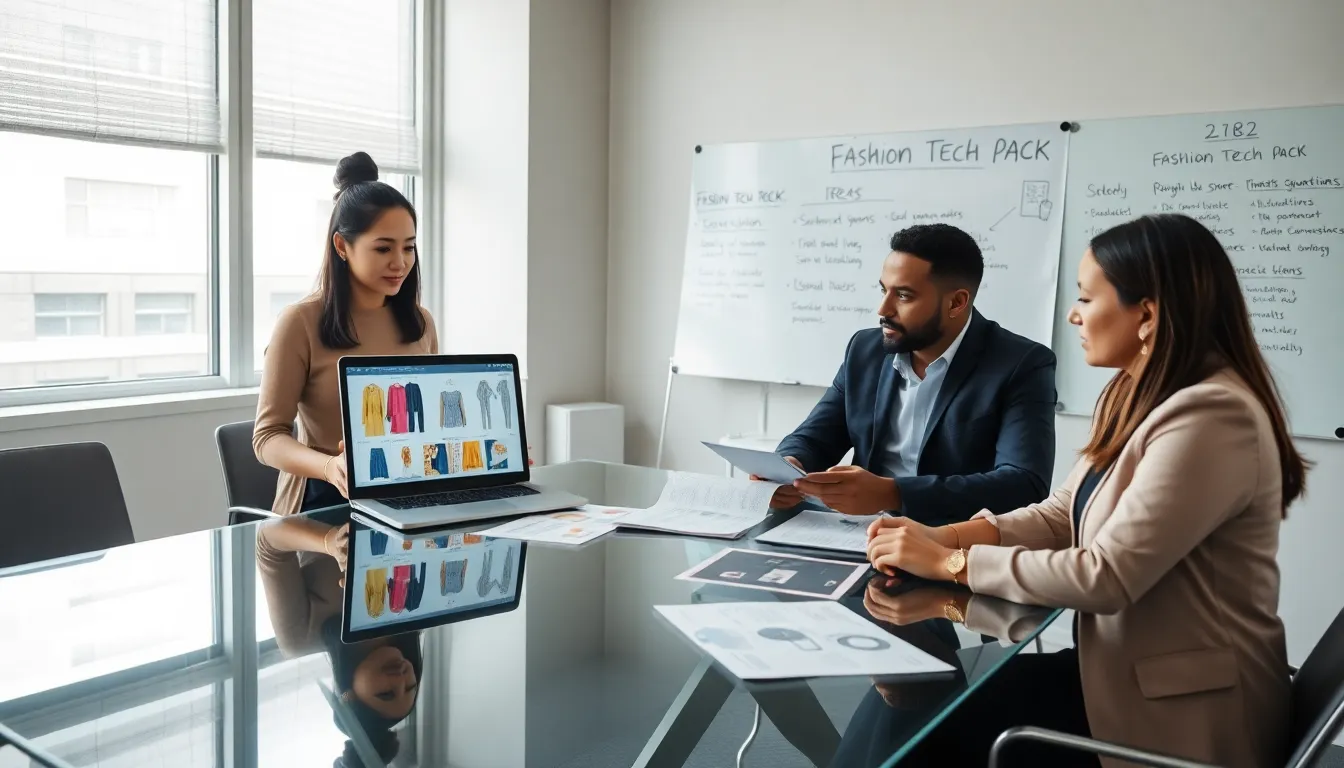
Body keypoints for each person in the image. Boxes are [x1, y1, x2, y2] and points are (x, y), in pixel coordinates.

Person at [867, 213, 1308, 767]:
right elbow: (1062, 515)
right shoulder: (1136, 392)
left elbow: (1107, 577)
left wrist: (950, 563)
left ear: (1146, 314)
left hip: (1186, 711)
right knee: (927, 717)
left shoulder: (1211, 414)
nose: (1073, 314)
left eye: (1085, 298)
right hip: (1121, 668)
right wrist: (942, 536)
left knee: (926, 741)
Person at [768, 223, 1057, 524]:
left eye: (904, 296)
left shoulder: (1022, 364)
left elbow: (1024, 483)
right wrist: (788, 467)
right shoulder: (864, 350)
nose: (883, 309)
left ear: (956, 303)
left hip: (951, 538)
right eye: (883, 290)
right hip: (858, 532)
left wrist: (894, 493)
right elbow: (815, 438)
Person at [253, 151, 438, 515]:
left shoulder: (421, 323)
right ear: (342, 246)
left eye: (409, 247)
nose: (400, 262)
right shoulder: (299, 322)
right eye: (383, 248)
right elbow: (267, 438)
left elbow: (425, 427)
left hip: (405, 494)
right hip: (320, 503)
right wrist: (330, 467)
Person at [255, 514, 421, 762]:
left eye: (386, 693)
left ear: (348, 695)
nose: (401, 678)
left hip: (318, 497)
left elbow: (267, 540)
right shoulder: (414, 616)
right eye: (410, 687)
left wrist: (329, 541)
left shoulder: (300, 638)